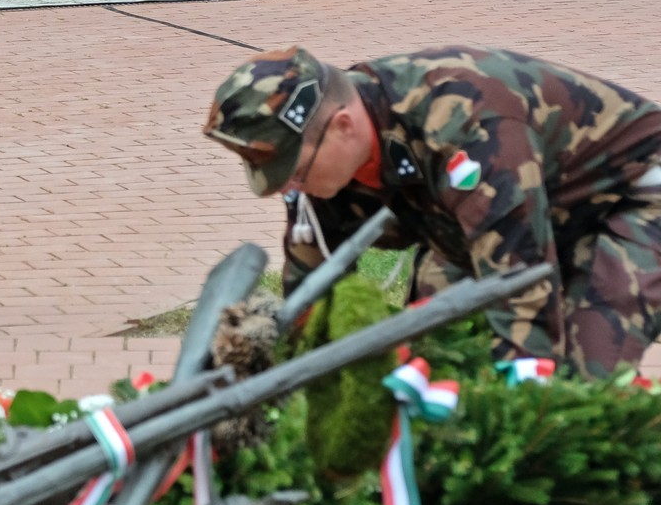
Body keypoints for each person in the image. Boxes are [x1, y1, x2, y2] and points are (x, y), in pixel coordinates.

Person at [203, 45, 661, 378]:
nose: (288, 187)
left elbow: (518, 278)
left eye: (296, 171)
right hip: (524, 212)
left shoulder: (467, 125)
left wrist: (526, 385)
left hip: (636, 196)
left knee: (585, 371)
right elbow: (312, 293)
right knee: (427, 360)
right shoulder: (327, 161)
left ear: (343, 126)